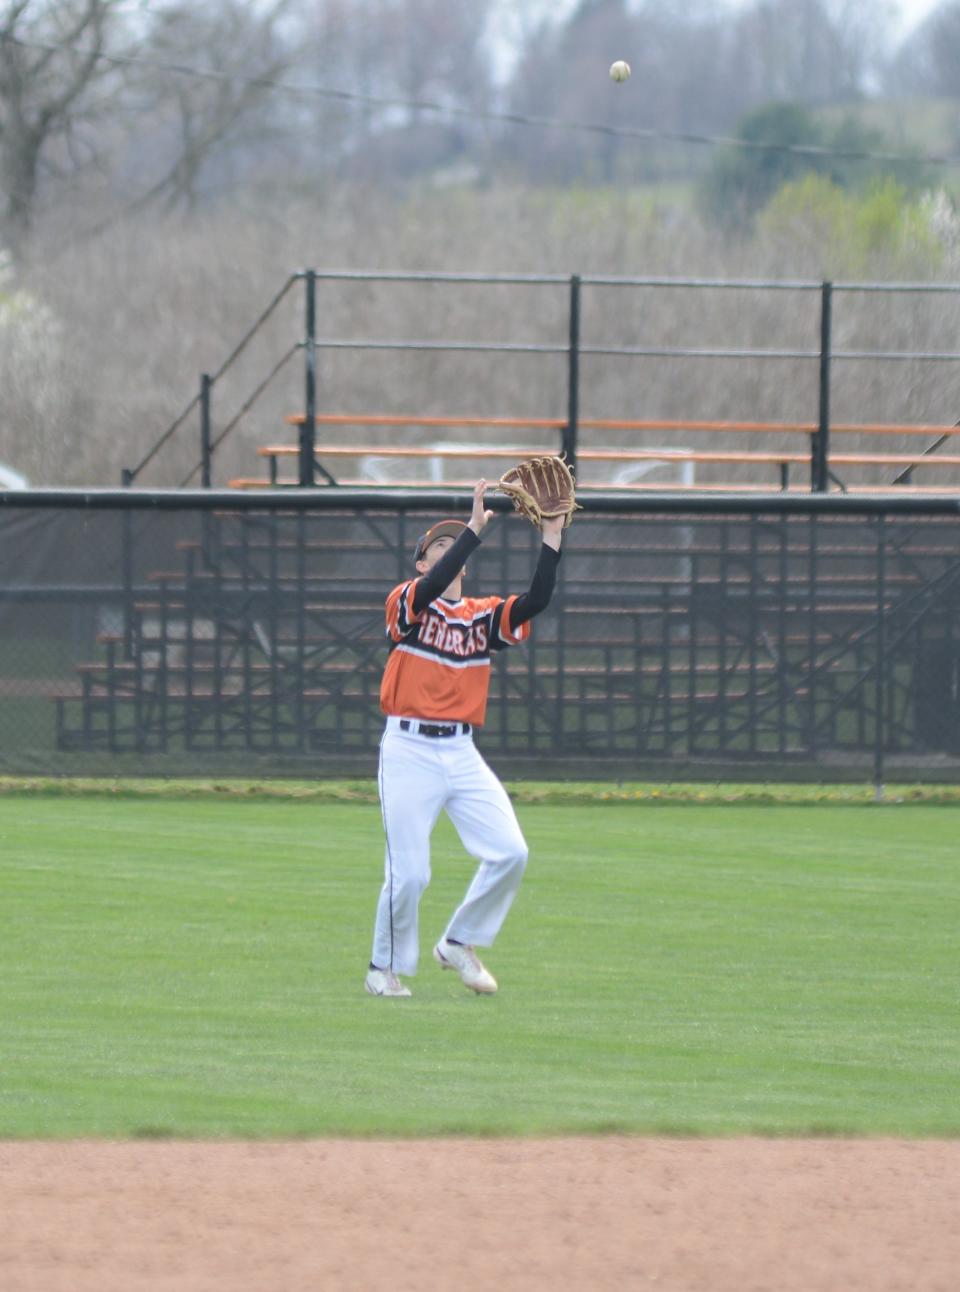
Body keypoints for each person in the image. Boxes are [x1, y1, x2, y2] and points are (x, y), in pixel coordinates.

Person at [365, 477, 565, 998]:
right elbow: (434, 588)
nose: (449, 550)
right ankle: (381, 970)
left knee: (510, 851)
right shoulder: (407, 604)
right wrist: (473, 529)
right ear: (421, 564)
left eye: (454, 546)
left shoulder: (480, 617)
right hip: (407, 750)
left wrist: (553, 532)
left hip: (459, 750)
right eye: (439, 546)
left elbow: (537, 599)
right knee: (410, 874)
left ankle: (459, 941)